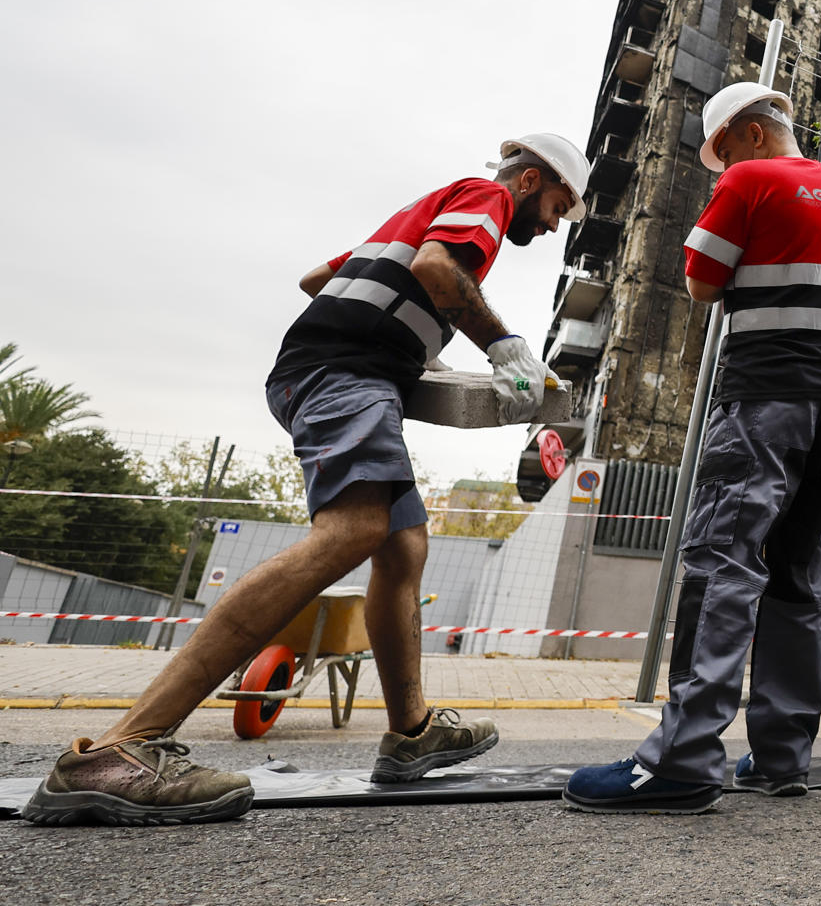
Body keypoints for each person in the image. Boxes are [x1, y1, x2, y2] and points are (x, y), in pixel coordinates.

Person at [24, 134, 589, 826]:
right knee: (354, 529)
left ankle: (412, 734)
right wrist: (504, 346)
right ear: (531, 181)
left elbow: (319, 281)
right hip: (344, 374)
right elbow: (442, 269)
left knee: (404, 545)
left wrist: (416, 350)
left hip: (344, 370)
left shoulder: (412, 218)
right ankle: (121, 750)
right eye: (558, 206)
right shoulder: (489, 197)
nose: (554, 224)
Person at [564, 82, 821, 815]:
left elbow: (699, 281)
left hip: (764, 396)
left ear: (749, 134)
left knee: (723, 560)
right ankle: (781, 757)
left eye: (720, 151)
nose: (721, 168)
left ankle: (682, 761)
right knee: (799, 572)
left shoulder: (750, 180)